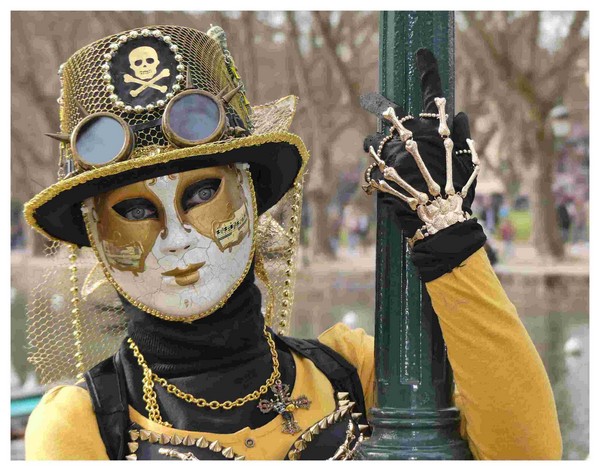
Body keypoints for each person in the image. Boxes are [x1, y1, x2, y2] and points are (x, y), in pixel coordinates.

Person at [23, 24, 561, 460]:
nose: (176, 238)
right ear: (94, 234)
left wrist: (449, 238)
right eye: (135, 210)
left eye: (203, 193)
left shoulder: (349, 372)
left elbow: (528, 454)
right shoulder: (87, 425)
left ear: (253, 201)